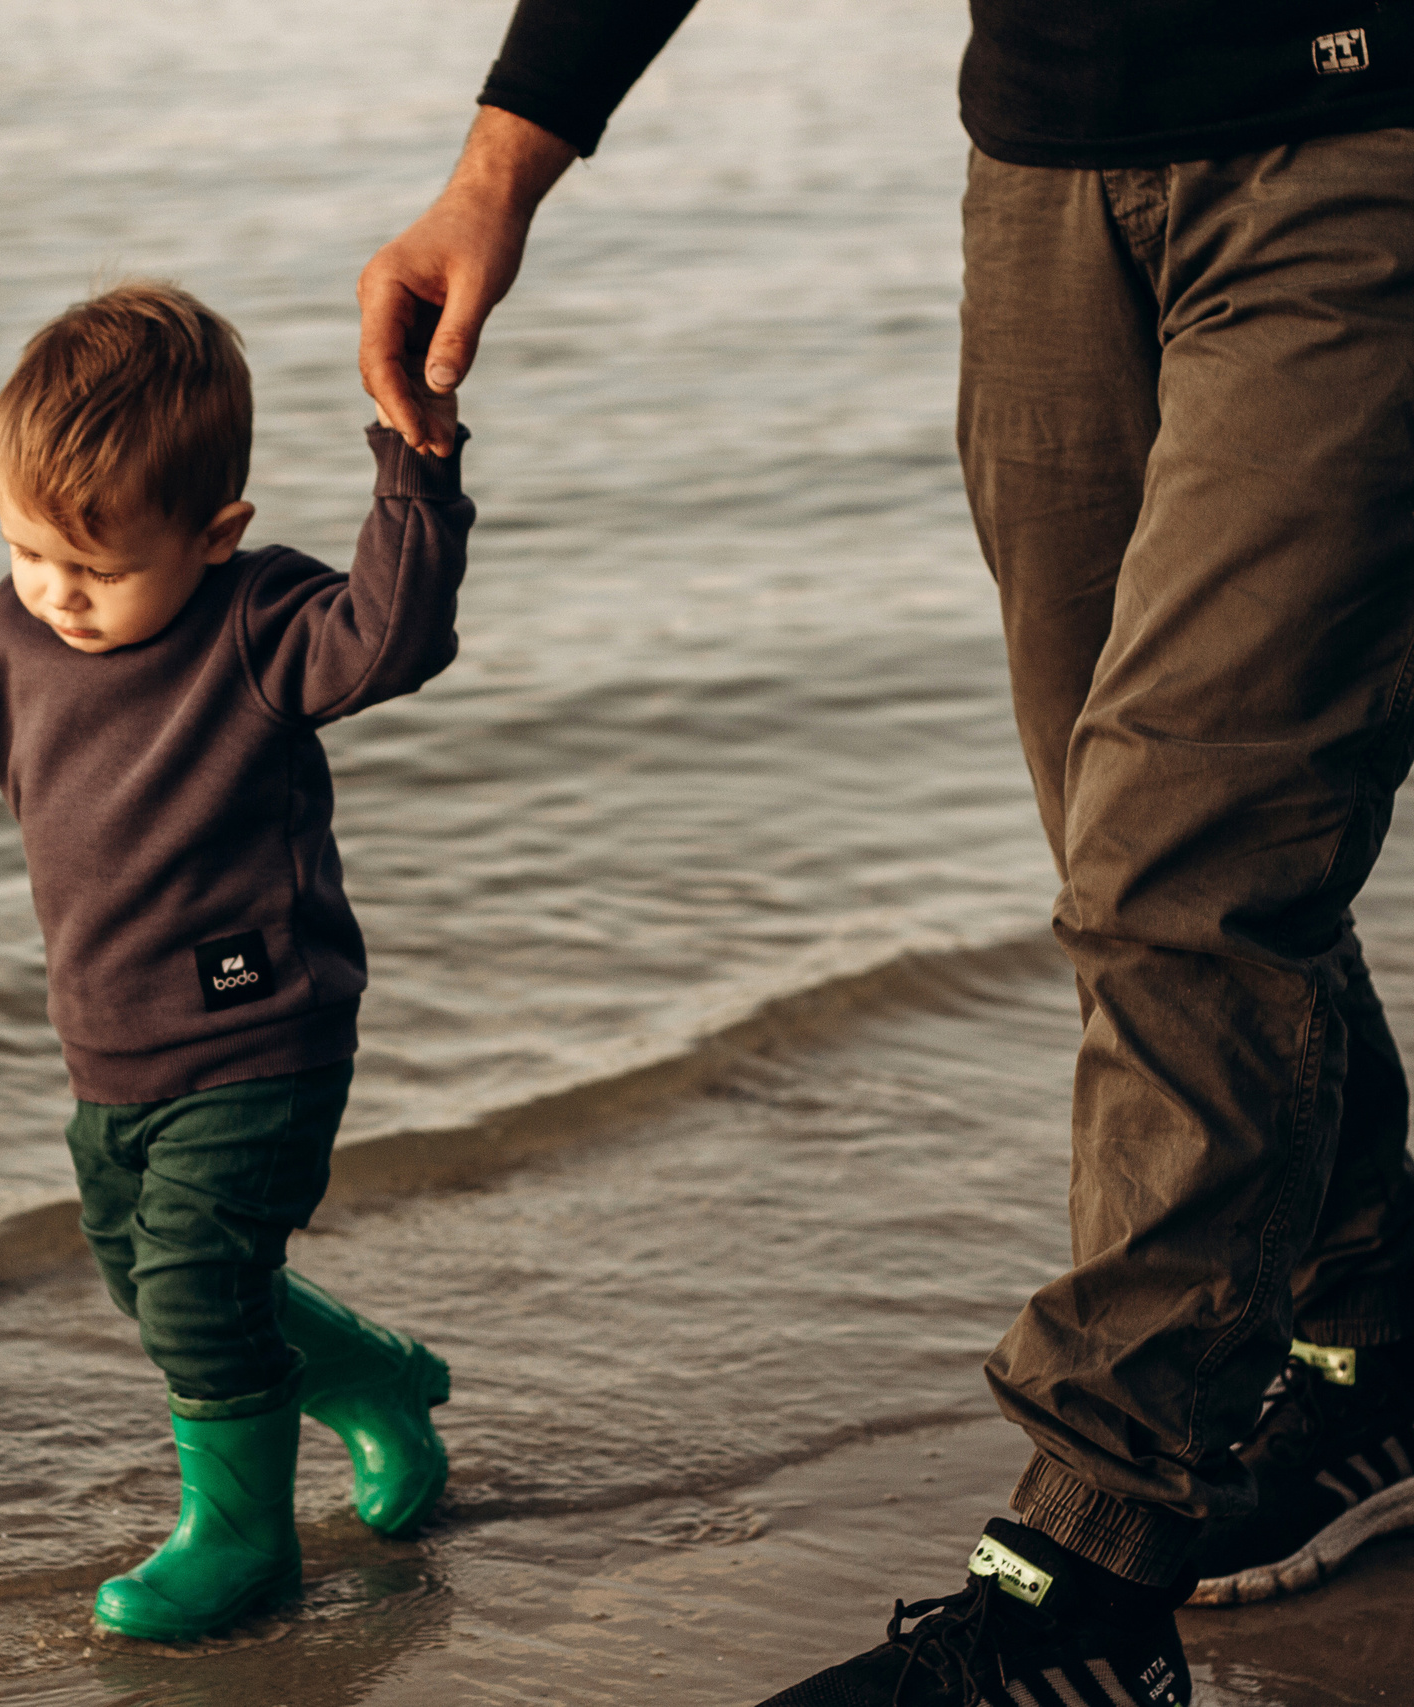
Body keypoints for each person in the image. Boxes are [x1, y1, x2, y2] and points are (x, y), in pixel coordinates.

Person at [357, 4, 1414, 1701]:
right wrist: (503, 167)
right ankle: (1370, 1346)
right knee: (1130, 837)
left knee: (1184, 861)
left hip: (1356, 143)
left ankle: (1086, 1580)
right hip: (1047, 167)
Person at [0, 282, 462, 1641]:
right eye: (29, 553)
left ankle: (242, 1543)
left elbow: (395, 636)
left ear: (215, 536)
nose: (57, 595)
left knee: (197, 1286)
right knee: (156, 1283)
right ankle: (376, 1382)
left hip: (261, 1031)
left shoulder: (259, 623)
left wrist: (416, 465)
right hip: (110, 1050)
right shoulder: (14, 637)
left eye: (96, 568)